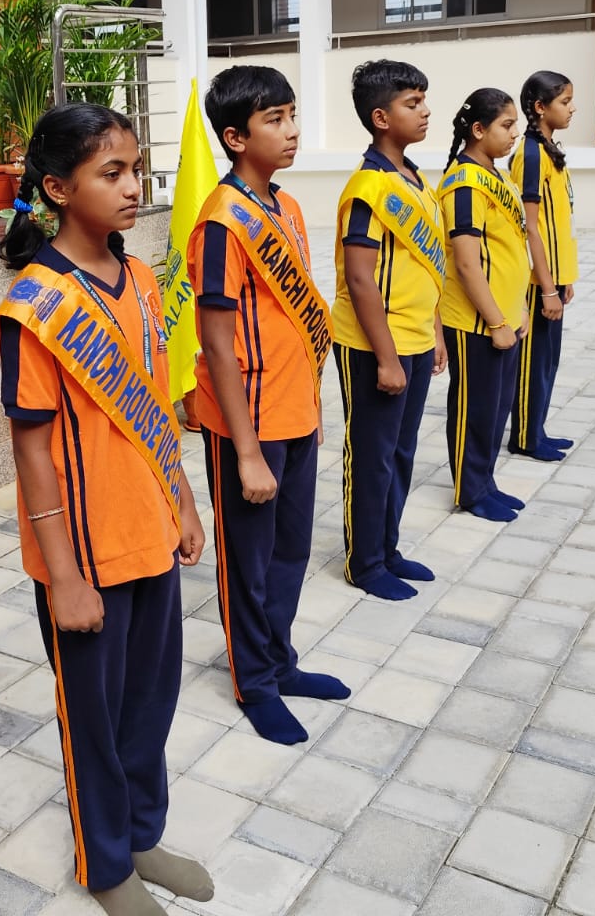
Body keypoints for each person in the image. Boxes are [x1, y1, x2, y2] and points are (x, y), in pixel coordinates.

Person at [0, 102, 211, 916]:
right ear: (57, 187)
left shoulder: (143, 278)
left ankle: (143, 833)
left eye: (135, 168)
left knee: (150, 708)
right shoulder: (34, 304)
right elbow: (32, 451)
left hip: (151, 534)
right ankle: (106, 864)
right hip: (85, 557)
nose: (133, 186)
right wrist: (63, 577)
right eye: (110, 172)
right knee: (93, 722)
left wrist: (184, 501)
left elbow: (154, 406)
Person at [186, 65, 346, 746]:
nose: (291, 131)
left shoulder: (285, 207)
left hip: (295, 411)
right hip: (245, 424)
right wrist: (247, 453)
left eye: (291, 115)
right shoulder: (221, 224)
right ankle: (254, 681)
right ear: (234, 135)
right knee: (246, 561)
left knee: (289, 552)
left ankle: (279, 660)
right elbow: (217, 347)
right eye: (274, 120)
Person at [332, 60, 445, 602]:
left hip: (417, 339)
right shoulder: (368, 186)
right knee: (371, 453)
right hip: (374, 346)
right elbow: (359, 276)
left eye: (424, 101)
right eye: (411, 103)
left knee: (401, 452)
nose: (425, 112)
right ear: (381, 117)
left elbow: (426, 268)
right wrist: (385, 358)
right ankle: (364, 560)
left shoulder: (415, 179)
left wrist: (436, 333)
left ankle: (388, 546)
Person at [438, 87, 530, 523]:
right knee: (475, 409)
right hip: (476, 321)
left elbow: (512, 249)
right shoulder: (463, 183)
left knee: (497, 408)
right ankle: (470, 489)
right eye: (506, 125)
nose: (515, 133)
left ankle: (486, 481)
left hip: (505, 317)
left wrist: (520, 309)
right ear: (478, 130)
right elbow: (466, 263)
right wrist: (496, 320)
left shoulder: (496, 175)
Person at [509, 70, 579, 460]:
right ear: (540, 108)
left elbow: (559, 221)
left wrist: (564, 278)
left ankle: (537, 428)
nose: (572, 109)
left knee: (548, 360)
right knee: (533, 363)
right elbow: (529, 227)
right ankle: (525, 436)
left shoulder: (548, 150)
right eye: (564, 102)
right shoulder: (530, 155)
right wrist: (547, 285)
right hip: (537, 283)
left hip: (553, 277)